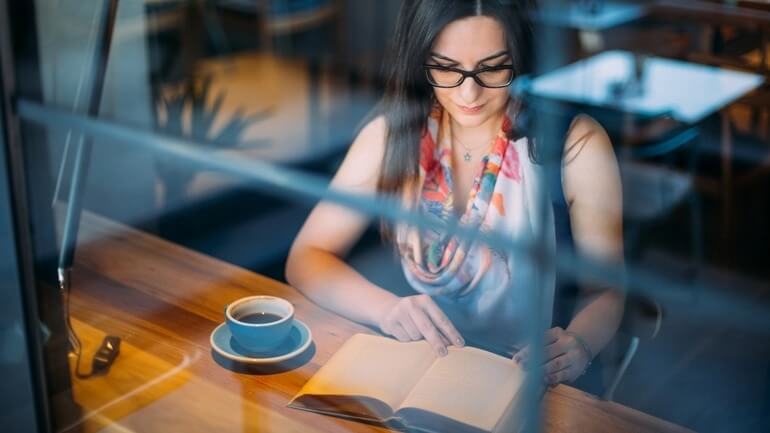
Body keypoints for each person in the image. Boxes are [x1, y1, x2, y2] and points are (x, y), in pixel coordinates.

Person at [286, 0, 624, 388]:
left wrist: (579, 344)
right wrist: (387, 310)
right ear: (421, 61)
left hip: (530, 380)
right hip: (422, 368)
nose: (470, 93)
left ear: (520, 58)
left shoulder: (575, 145)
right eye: (447, 69)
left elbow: (607, 289)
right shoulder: (394, 136)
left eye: (493, 68)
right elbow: (306, 257)